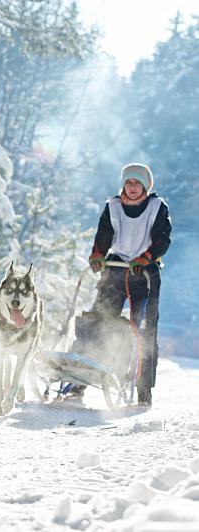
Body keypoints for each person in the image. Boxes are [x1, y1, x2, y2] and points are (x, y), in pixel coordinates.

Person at [68, 163, 172, 407]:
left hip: (144, 273)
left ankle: (143, 391)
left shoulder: (157, 207)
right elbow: (103, 235)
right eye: (128, 183)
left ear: (145, 186)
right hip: (116, 269)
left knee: (143, 332)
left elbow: (162, 238)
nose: (132, 187)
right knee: (96, 322)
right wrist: (97, 255)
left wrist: (147, 257)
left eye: (137, 183)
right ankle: (77, 382)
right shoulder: (113, 206)